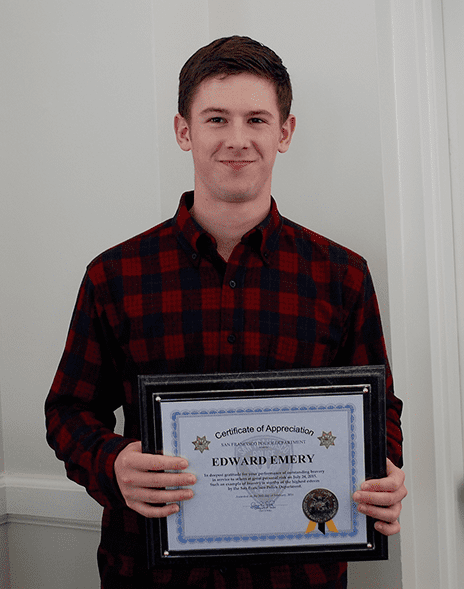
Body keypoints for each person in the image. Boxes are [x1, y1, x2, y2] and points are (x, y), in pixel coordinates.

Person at [45, 36, 406, 589]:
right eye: (216, 118)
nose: (237, 140)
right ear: (184, 131)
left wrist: (384, 472)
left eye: (256, 119)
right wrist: (112, 463)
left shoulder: (342, 275)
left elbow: (376, 408)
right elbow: (68, 410)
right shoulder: (114, 275)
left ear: (283, 133)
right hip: (149, 572)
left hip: (299, 574)